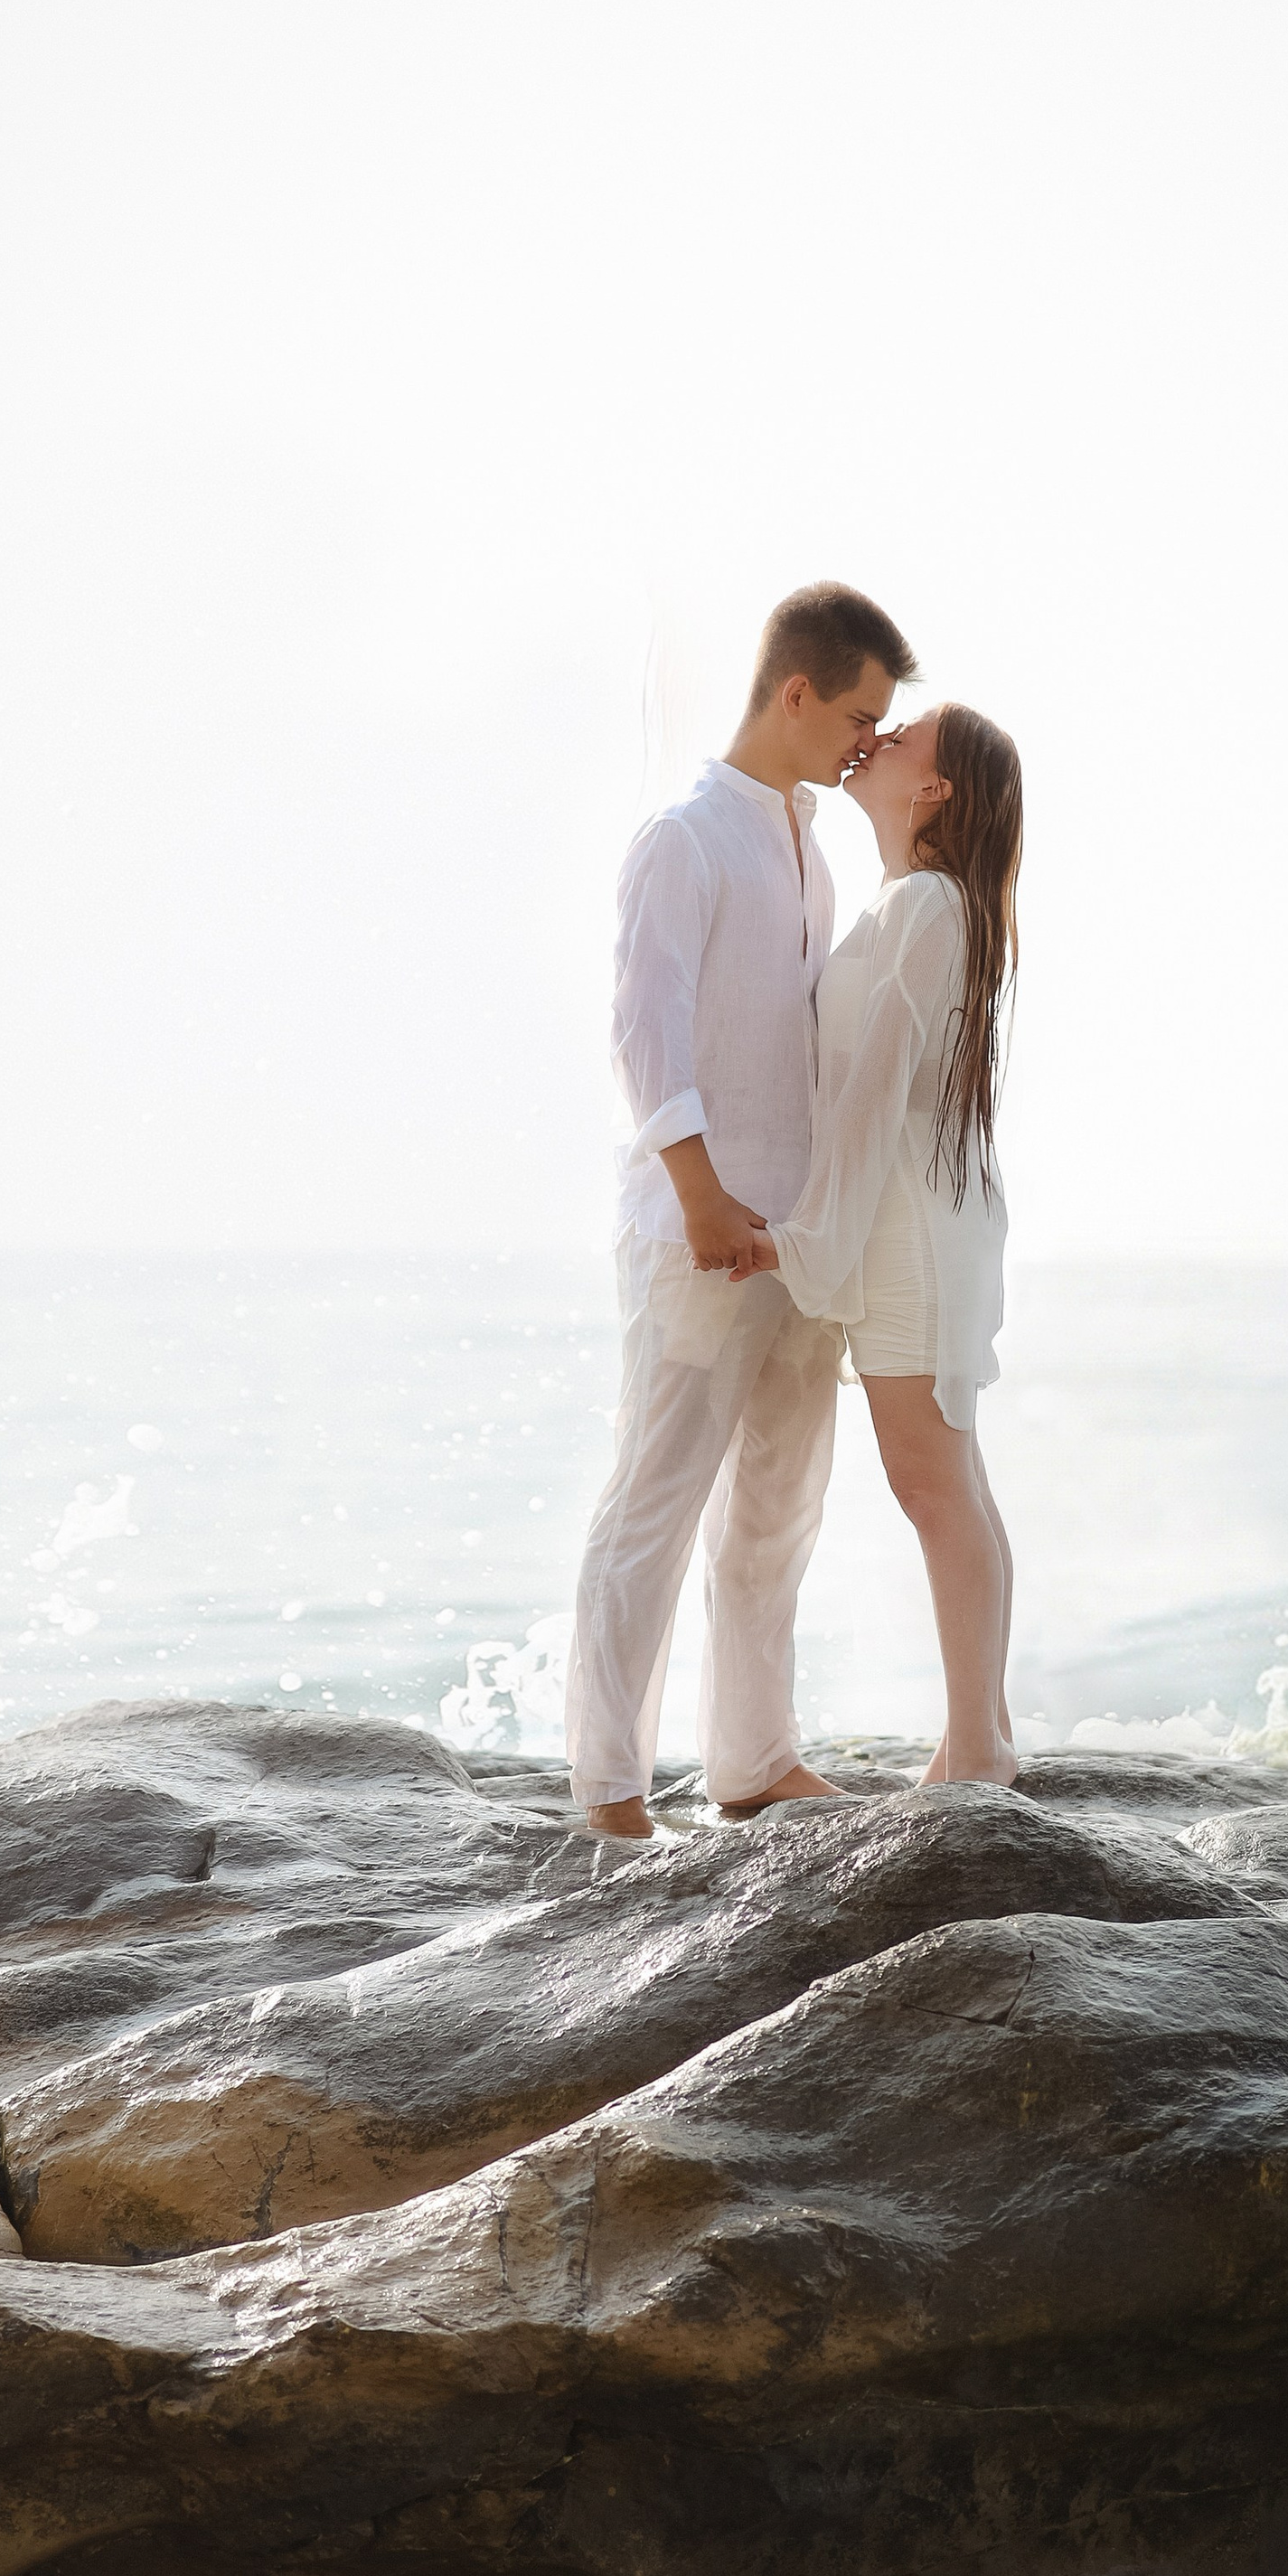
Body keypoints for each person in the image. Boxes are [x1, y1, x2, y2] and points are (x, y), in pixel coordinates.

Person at [565, 583, 917, 1839]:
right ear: (795, 692)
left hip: (798, 1235)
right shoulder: (685, 835)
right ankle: (607, 1787)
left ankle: (754, 1759)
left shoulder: (807, 843)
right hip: (700, 1228)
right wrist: (703, 1193)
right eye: (860, 714)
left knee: (779, 1500)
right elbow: (643, 1030)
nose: (867, 741)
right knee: (653, 1501)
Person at [742, 703, 1022, 1786]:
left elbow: (870, 1099)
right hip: (908, 1217)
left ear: (935, 788)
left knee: (931, 1481)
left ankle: (979, 1749)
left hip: (902, 1227)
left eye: (904, 733)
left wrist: (799, 1241)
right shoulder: (915, 905)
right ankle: (976, 1733)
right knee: (950, 1478)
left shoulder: (926, 908)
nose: (881, 734)